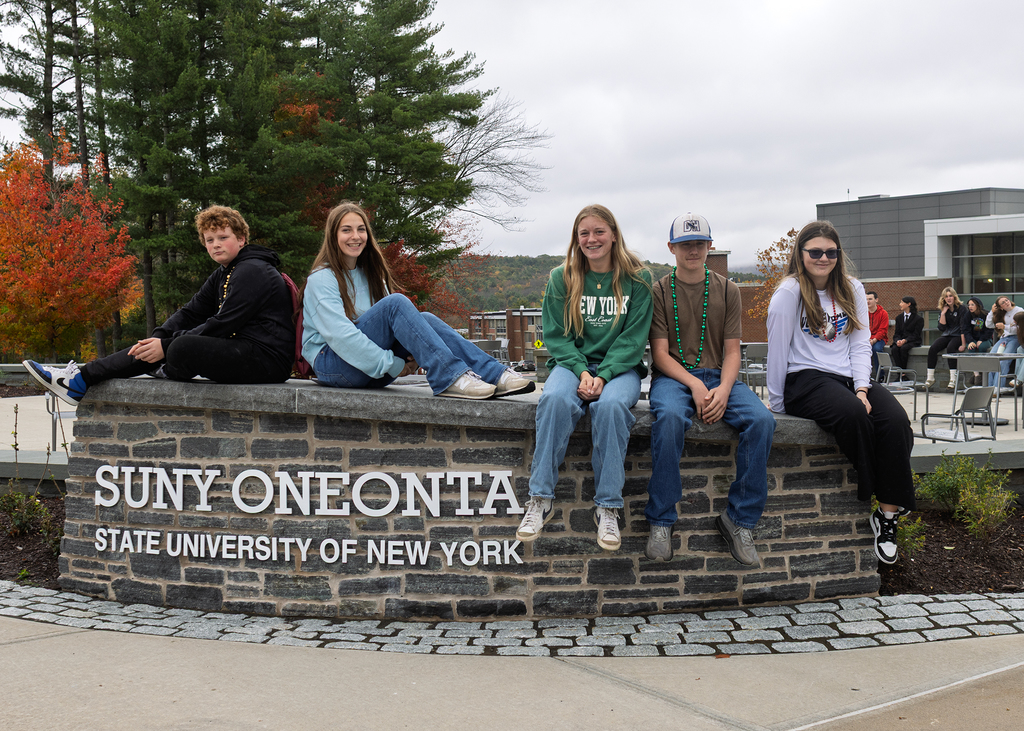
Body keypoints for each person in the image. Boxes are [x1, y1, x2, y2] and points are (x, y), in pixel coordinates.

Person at [25, 206, 295, 404]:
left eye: (222, 237)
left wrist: (166, 346)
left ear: (241, 239)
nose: (215, 245)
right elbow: (191, 311)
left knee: (181, 347)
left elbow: (224, 324)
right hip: (243, 351)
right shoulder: (225, 271)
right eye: (209, 240)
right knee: (169, 344)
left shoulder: (253, 270)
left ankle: (159, 365)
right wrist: (159, 337)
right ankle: (80, 381)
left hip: (267, 359)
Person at [766, 221, 915, 566]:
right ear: (801, 254)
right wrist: (777, 403)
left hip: (848, 377)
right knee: (852, 416)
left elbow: (861, 345)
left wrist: (863, 388)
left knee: (895, 421)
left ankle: (887, 516)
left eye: (831, 252)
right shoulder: (789, 293)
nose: (823, 258)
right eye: (815, 252)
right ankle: (877, 490)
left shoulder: (853, 288)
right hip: (804, 378)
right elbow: (777, 350)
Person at [515, 204, 653, 551]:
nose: (592, 239)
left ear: (614, 234)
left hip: (620, 368)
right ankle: (540, 498)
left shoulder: (638, 279)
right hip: (572, 364)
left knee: (609, 409)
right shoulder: (562, 277)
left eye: (599, 231)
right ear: (576, 240)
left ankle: (608, 507)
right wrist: (581, 371)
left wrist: (603, 375)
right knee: (555, 399)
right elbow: (556, 335)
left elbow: (634, 339)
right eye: (584, 233)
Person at [643, 214, 775, 566]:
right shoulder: (658, 290)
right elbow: (659, 354)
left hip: (720, 375)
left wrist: (723, 388)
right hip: (673, 377)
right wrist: (696, 384)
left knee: (762, 421)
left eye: (700, 243)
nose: (693, 250)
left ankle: (739, 520)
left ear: (710, 246)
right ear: (671, 248)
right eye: (685, 244)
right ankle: (661, 520)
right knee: (669, 417)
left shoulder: (727, 289)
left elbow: (733, 351)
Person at [301, 202, 533, 400]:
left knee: (425, 319)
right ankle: (450, 377)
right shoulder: (322, 279)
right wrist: (394, 365)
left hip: (370, 370)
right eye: (346, 230)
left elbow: (396, 329)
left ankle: (494, 374)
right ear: (333, 236)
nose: (356, 236)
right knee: (396, 304)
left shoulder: (370, 274)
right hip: (334, 365)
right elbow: (342, 338)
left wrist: (403, 360)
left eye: (361, 229)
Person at [924, 287, 968, 390]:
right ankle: (930, 378)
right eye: (946, 296)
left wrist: (963, 344)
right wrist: (943, 313)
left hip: (958, 335)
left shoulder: (962, 308)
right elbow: (941, 328)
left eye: (950, 296)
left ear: (954, 297)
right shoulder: (944, 309)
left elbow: (963, 327)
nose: (948, 298)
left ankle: (953, 379)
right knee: (933, 348)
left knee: (950, 348)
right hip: (947, 335)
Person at [985, 296, 1024, 390]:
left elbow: (1020, 329)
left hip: (1015, 338)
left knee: (1004, 361)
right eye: (1003, 302)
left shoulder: (1019, 311)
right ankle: (989, 389)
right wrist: (992, 312)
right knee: (991, 359)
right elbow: (988, 325)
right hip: (1004, 338)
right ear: (1000, 307)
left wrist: (1005, 327)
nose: (1006, 302)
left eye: (1006, 300)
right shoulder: (1002, 314)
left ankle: (998, 388)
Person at [963, 296, 993, 387]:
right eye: (969, 305)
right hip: (972, 339)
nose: (970, 307)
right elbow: (966, 330)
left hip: (985, 339)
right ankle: (977, 375)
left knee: (982, 347)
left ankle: (981, 372)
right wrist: (971, 341)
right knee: (971, 348)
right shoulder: (967, 315)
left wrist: (981, 339)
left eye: (972, 304)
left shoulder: (985, 314)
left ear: (978, 305)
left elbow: (989, 329)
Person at [890, 296, 923, 373]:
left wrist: (905, 340)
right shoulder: (899, 318)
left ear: (908, 304)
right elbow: (897, 333)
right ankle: (900, 373)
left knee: (904, 349)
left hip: (912, 341)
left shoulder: (918, 319)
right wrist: (898, 340)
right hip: (901, 340)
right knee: (894, 349)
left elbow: (916, 334)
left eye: (902, 302)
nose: (900, 304)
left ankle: (903, 373)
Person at [865, 291, 889, 379]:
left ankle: (881, 376)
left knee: (876, 349)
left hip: (879, 339)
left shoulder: (883, 313)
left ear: (876, 300)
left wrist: (874, 340)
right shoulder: (863, 313)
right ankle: (864, 375)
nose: (868, 301)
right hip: (866, 339)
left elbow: (882, 331)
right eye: (866, 299)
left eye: (870, 299)